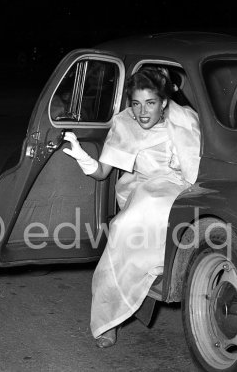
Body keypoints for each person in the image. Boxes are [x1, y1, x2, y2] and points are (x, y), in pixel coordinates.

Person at [62, 68, 201, 348]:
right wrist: (82, 156)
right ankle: (109, 318)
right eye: (136, 104)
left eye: (150, 103)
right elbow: (102, 172)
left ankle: (148, 283)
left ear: (163, 102)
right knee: (123, 227)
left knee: (156, 217)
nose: (142, 112)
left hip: (181, 188)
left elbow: (196, 168)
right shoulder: (125, 123)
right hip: (143, 188)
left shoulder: (185, 119)